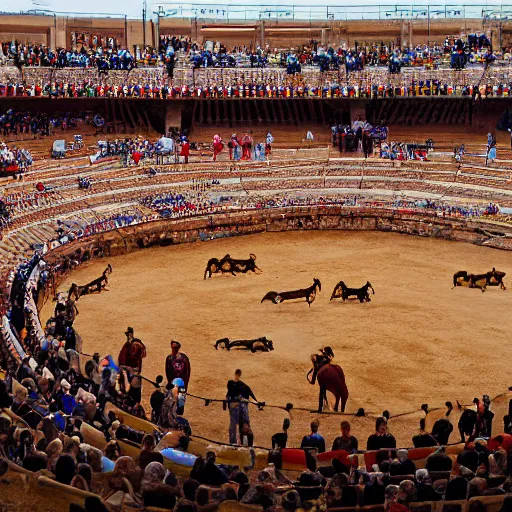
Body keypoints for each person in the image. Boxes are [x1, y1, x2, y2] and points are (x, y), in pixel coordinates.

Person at [226, 369, 257, 445]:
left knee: (234, 424)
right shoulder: (242, 385)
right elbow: (250, 393)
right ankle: (246, 443)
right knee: (244, 422)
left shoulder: (230, 383)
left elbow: (228, 396)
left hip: (234, 405)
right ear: (239, 374)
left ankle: (233, 442)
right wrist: (256, 401)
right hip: (240, 405)